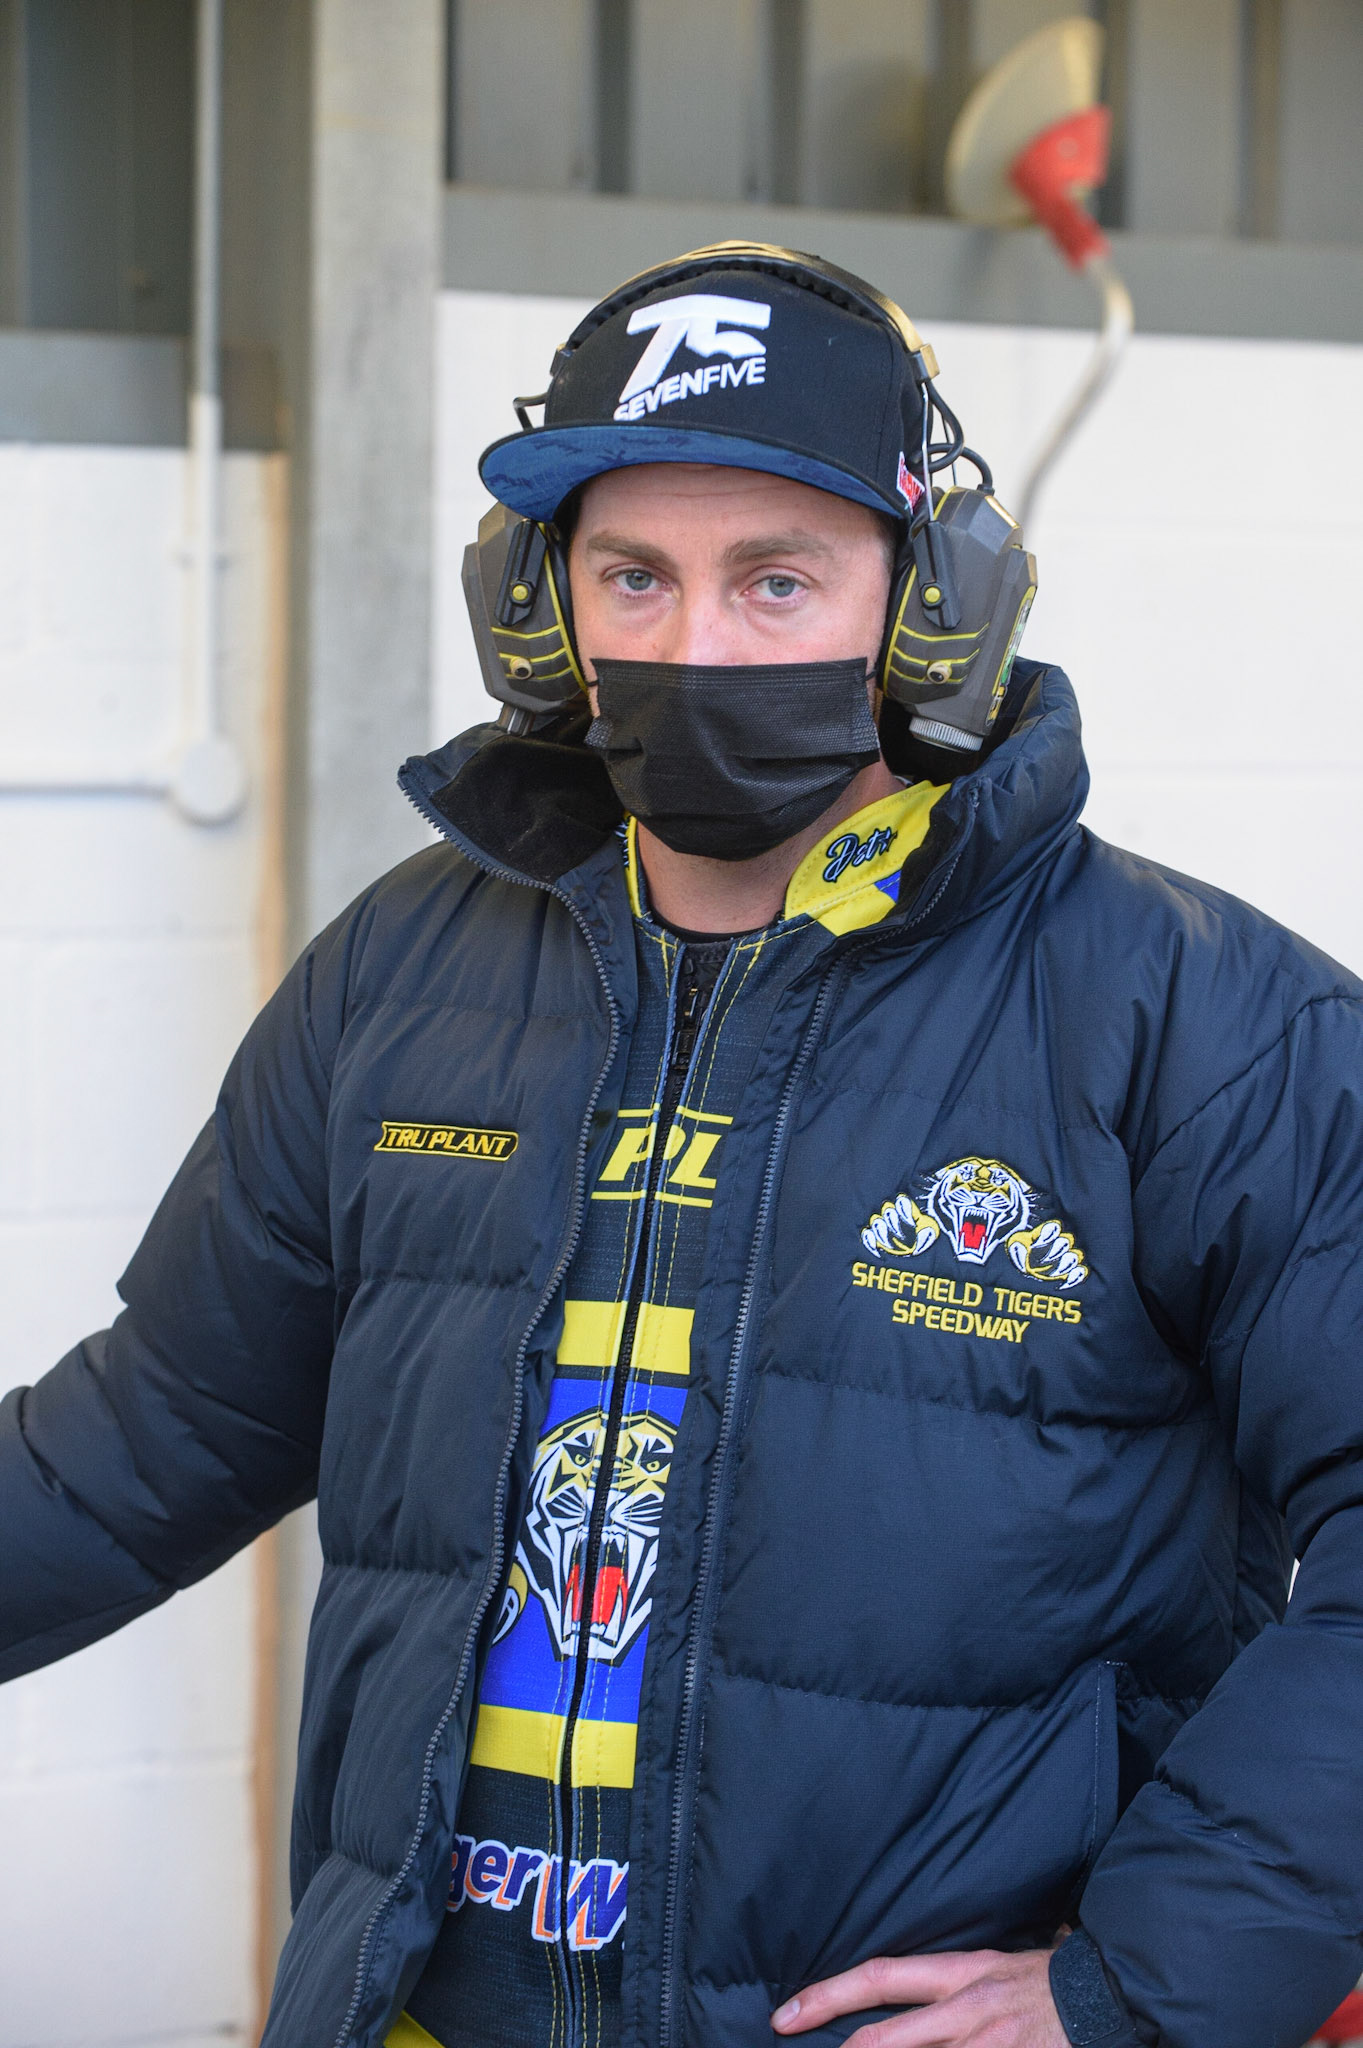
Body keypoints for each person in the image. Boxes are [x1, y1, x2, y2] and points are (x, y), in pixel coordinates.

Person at [3, 243, 1362, 2048]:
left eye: (775, 579)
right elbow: (150, 1439)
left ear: (934, 606)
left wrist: (1129, 1994)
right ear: (541, 606)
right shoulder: (398, 976)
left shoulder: (1208, 1027)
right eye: (632, 575)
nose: (691, 646)